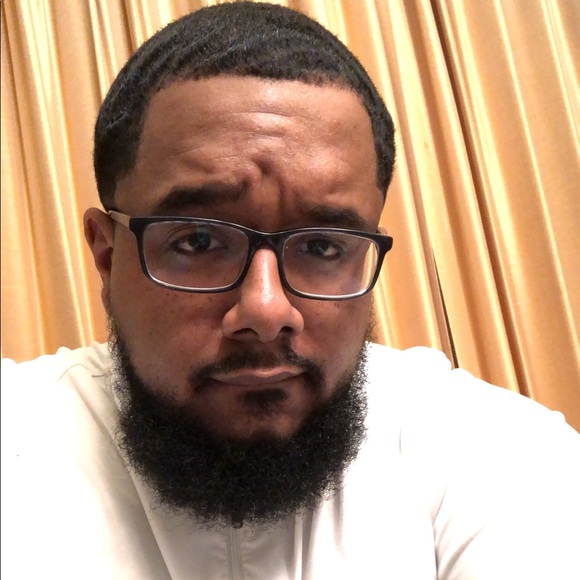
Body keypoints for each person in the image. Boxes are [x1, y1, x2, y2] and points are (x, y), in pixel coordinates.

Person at [2, 3, 579, 578]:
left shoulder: (501, 455)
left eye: (323, 247)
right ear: (107, 257)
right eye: (199, 241)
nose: (265, 309)